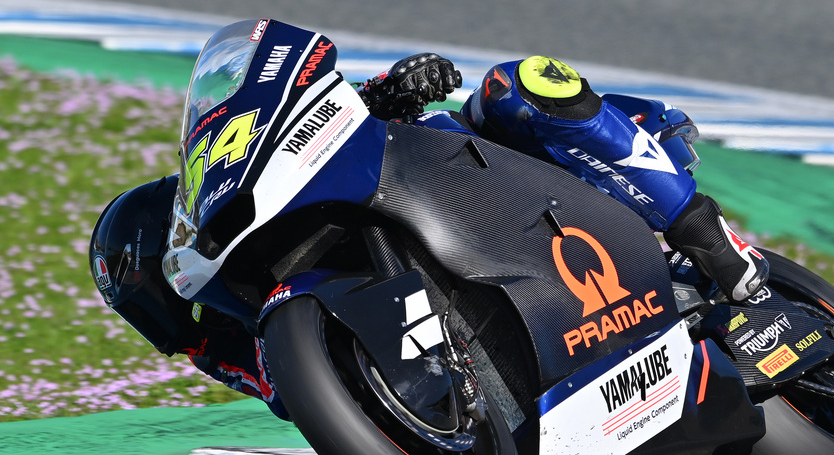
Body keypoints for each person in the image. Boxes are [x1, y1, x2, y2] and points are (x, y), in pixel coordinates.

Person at [90, 47, 768, 419]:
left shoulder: (257, 202)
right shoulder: (240, 343)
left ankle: (710, 240)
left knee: (518, 85)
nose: (152, 306)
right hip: (497, 344)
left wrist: (391, 88)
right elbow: (298, 399)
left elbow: (328, 126)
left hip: (475, 178)